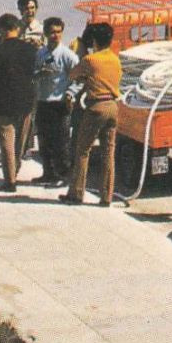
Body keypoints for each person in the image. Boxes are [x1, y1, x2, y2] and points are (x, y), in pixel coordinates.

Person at [61, 22, 122, 207]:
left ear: (94, 41)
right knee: (108, 152)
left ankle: (76, 193)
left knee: (83, 150)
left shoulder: (90, 60)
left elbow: (72, 75)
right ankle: (106, 196)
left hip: (96, 107)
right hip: (112, 106)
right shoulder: (115, 59)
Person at [0, 14, 39, 193]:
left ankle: (10, 180)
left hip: (2, 104)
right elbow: (35, 74)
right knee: (20, 143)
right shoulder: (31, 50)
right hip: (25, 103)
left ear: (4, 30)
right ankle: (16, 170)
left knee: (6, 142)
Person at [32, 17, 78, 186]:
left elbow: (78, 78)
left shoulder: (68, 56)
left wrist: (70, 93)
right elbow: (32, 75)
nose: (55, 35)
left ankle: (64, 176)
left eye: (58, 32)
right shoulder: (40, 54)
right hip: (43, 102)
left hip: (60, 105)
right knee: (44, 140)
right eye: (52, 32)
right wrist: (39, 74)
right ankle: (48, 173)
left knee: (61, 143)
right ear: (45, 33)